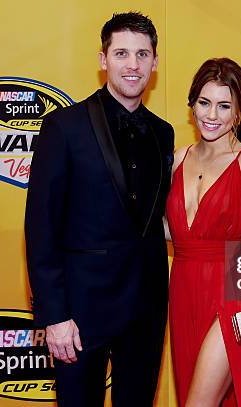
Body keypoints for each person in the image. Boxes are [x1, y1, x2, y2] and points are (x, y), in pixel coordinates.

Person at [25, 12, 174, 407]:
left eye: (143, 54)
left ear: (155, 63)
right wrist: (54, 316)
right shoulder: (63, 127)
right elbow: (41, 227)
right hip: (80, 312)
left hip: (146, 309)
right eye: (122, 53)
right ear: (103, 59)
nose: (133, 64)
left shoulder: (163, 132)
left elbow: (156, 217)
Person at [166, 58, 241, 407]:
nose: (212, 115)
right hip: (183, 290)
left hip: (231, 295)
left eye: (224, 106)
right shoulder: (177, 159)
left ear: (238, 112)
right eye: (204, 103)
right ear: (192, 104)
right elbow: (170, 231)